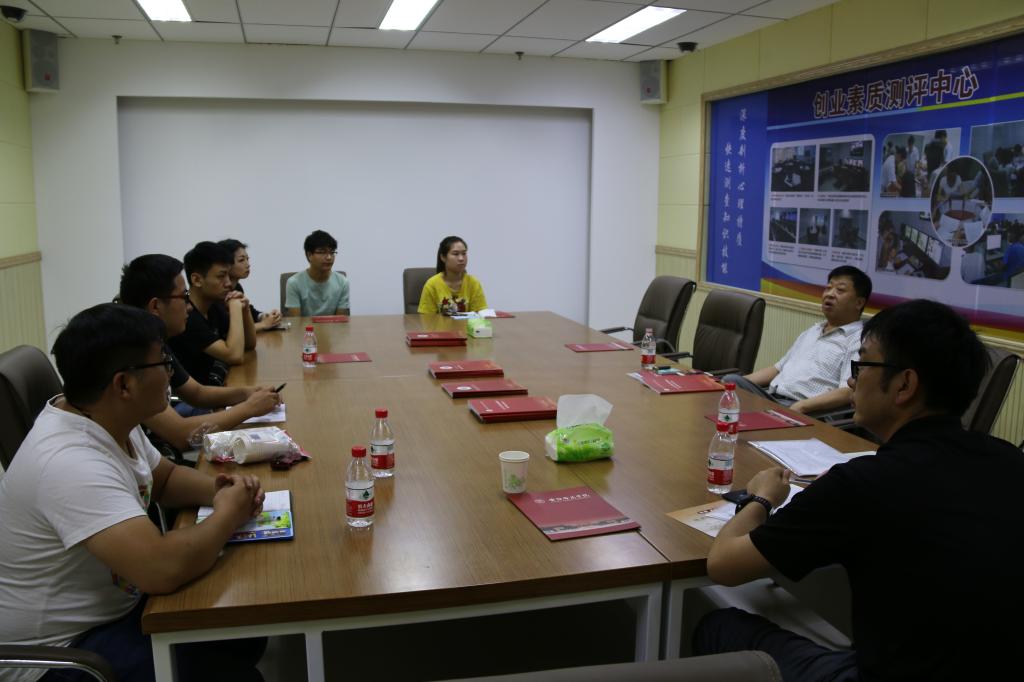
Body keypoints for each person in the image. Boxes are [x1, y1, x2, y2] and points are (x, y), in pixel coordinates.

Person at [694, 299, 1024, 681]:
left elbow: (724, 565)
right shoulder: (1009, 460)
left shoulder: (863, 483)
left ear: (904, 385)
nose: (852, 381)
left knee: (719, 625)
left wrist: (761, 498)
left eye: (862, 366)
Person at [0, 303, 268, 682]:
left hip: (113, 607)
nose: (171, 373)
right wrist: (228, 513)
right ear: (124, 385)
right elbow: (161, 569)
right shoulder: (68, 461)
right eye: (163, 363)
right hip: (63, 653)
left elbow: (164, 479)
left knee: (244, 631)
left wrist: (222, 490)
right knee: (236, 672)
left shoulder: (108, 418)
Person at [119, 254, 281, 451]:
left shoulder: (153, 340)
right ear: (156, 306)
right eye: (183, 297)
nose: (189, 306)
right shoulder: (131, 355)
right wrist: (249, 408)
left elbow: (197, 392)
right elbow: (181, 435)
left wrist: (248, 393)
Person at [723, 266, 871, 414]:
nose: (830, 294)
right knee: (729, 381)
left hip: (805, 409)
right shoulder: (813, 331)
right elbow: (777, 369)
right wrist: (737, 383)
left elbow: (847, 391)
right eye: (828, 288)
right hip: (772, 398)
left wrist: (802, 406)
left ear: (859, 303)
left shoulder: (858, 340)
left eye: (840, 290)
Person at [169, 241, 256, 386]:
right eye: (221, 276)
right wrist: (235, 308)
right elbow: (234, 356)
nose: (228, 283)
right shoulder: (188, 316)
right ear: (197, 280)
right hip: (199, 396)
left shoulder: (213, 306)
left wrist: (245, 310)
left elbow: (249, 344)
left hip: (220, 384)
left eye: (228, 275)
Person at [219, 238, 282, 331]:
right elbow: (227, 330)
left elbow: (249, 311)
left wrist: (265, 316)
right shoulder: (218, 292)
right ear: (226, 264)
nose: (248, 264)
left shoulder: (237, 287)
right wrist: (263, 325)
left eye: (247, 259)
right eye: (241, 260)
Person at [284, 230, 350, 317]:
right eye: (322, 252)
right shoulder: (294, 283)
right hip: (304, 326)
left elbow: (340, 321)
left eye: (332, 252)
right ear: (309, 255)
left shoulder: (342, 282)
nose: (329, 257)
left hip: (333, 326)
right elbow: (296, 322)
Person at [418, 235, 488, 315]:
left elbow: (480, 315)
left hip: (467, 324)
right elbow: (426, 318)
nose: (461, 258)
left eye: (464, 253)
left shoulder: (473, 283)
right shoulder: (432, 284)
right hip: (439, 324)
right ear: (443, 257)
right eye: (455, 254)